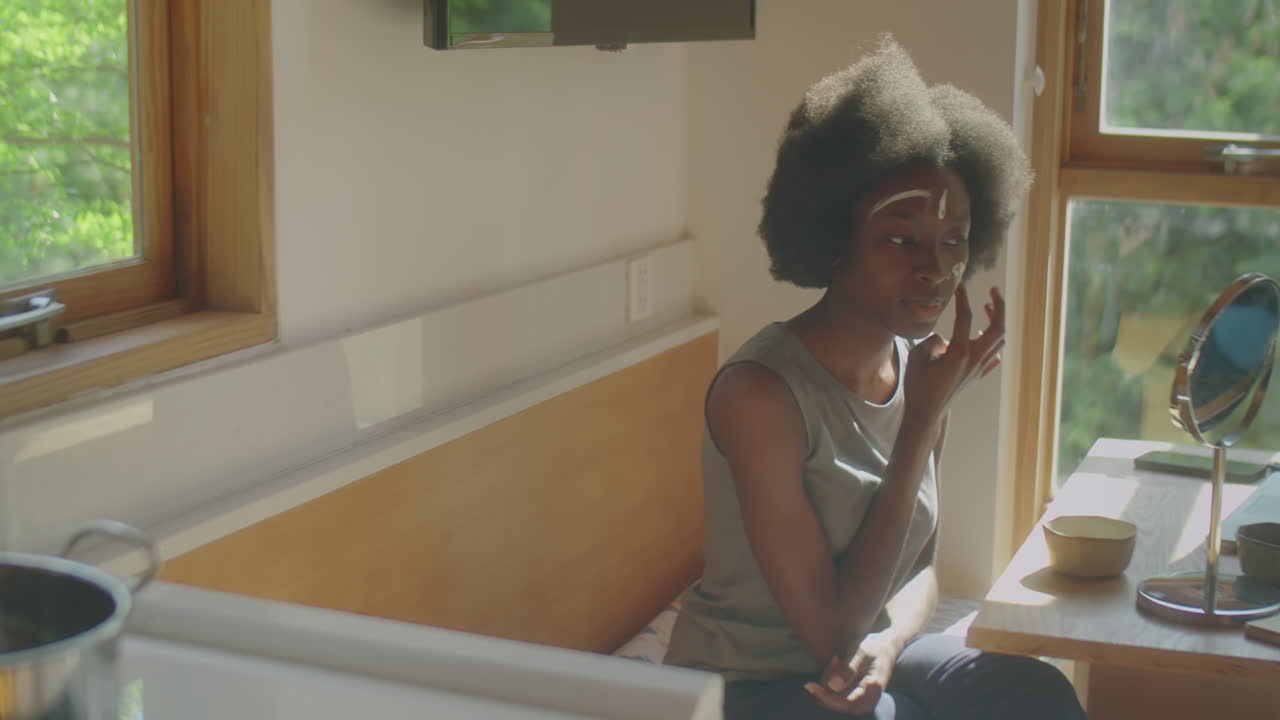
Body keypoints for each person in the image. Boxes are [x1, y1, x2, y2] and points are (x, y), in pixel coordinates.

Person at [662, 37, 1090, 720]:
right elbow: (830, 633)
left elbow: (919, 572)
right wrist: (921, 419)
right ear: (835, 240)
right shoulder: (760, 394)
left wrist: (888, 646)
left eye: (954, 240)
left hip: (863, 649)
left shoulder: (919, 371)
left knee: (1033, 693)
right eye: (901, 239)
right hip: (746, 683)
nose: (935, 269)